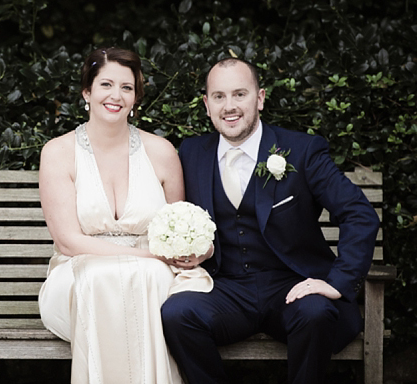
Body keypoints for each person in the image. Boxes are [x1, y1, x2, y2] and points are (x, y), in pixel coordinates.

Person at [161, 57, 380, 384]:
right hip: (227, 288)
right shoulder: (192, 153)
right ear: (207, 105)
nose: (229, 106)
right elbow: (173, 215)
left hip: (293, 284)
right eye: (219, 97)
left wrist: (337, 282)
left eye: (239, 94)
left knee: (316, 313)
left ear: (260, 98)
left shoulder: (302, 150)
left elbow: (358, 213)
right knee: (177, 314)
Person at [38, 47, 186, 383]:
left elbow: (176, 228)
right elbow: (68, 240)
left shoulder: (161, 152)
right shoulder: (58, 152)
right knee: (107, 279)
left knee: (151, 279)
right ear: (87, 92)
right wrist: (146, 256)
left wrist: (175, 253)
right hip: (77, 277)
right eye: (106, 85)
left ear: (136, 97)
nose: (116, 95)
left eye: (126, 87)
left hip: (151, 278)